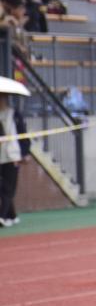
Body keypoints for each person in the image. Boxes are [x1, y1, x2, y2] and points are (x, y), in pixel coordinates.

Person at [0, 93, 26, 228]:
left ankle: (2, 216)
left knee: (8, 188)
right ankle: (12, 215)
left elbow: (23, 134)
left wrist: (24, 153)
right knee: (4, 188)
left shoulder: (14, 114)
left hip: (12, 156)